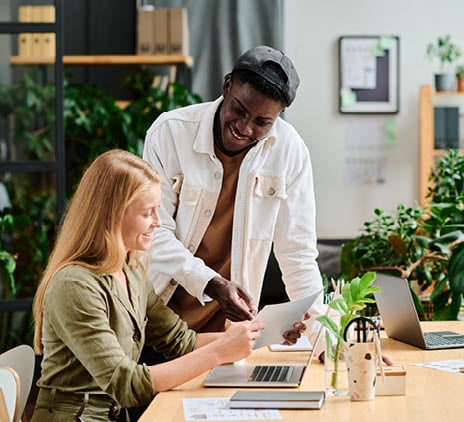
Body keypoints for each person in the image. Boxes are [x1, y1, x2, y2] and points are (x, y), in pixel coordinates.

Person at [31, 149, 265, 421]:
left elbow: (180, 342)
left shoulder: (131, 270)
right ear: (112, 215)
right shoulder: (74, 285)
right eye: (147, 212)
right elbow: (126, 384)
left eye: (158, 210)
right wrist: (218, 352)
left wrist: (252, 335)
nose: (158, 222)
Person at [142, 45, 324, 340]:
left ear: (279, 116)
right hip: (159, 326)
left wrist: (325, 338)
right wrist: (212, 283)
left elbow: (298, 254)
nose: (243, 127)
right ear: (227, 85)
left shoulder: (290, 151)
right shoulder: (170, 133)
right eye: (239, 110)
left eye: (262, 122)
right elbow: (154, 234)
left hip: (230, 338)